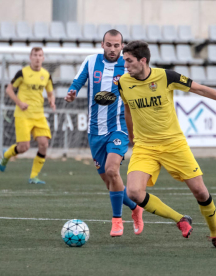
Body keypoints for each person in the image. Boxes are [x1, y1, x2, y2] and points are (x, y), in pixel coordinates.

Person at [119, 40, 216, 249]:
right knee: (133, 193)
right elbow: (128, 109)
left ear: (143, 60)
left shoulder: (167, 77)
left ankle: (215, 235)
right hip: (145, 147)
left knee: (200, 192)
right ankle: (180, 219)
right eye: (124, 61)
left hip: (174, 144)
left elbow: (201, 90)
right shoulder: (123, 82)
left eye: (129, 61)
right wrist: (132, 138)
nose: (125, 65)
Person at [64, 30, 144, 237]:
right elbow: (78, 81)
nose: (112, 49)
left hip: (118, 128)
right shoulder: (91, 61)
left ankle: (117, 221)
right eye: (109, 45)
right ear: (102, 44)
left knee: (112, 170)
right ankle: (136, 208)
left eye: (116, 46)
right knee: (111, 182)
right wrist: (72, 93)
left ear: (122, 46)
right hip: (95, 131)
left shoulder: (127, 67)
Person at [0, 47, 56, 185]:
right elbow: (8, 89)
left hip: (39, 115)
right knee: (24, 147)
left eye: (40, 55)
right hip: (23, 114)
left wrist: (51, 101)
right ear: (30, 57)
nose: (37, 58)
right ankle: (6, 155)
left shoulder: (46, 75)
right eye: (35, 55)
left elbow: (50, 92)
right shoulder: (22, 73)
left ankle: (33, 177)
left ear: (43, 58)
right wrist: (19, 102)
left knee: (44, 144)